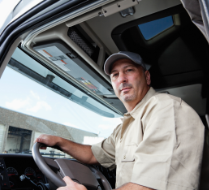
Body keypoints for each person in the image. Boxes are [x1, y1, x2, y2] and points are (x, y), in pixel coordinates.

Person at [35, 51, 205, 190]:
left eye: (129, 70)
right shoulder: (126, 126)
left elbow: (152, 186)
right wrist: (58, 141)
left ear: (147, 77)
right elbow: (93, 154)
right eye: (115, 75)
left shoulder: (166, 109)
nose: (122, 79)